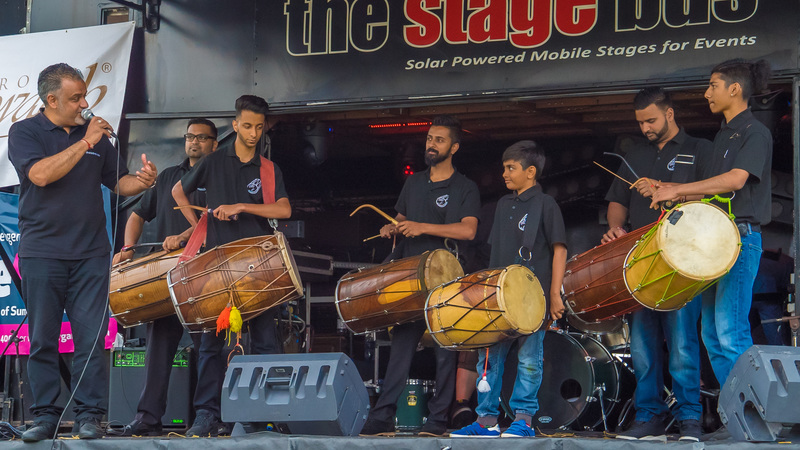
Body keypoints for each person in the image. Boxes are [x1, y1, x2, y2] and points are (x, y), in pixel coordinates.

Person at [7, 63, 157, 442]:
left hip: (91, 253)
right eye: (76, 98)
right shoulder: (25, 132)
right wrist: (86, 142)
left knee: (91, 339)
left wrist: (140, 182)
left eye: (85, 96)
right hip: (43, 251)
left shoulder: (96, 137)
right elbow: (40, 175)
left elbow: (117, 182)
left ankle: (90, 415)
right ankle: (44, 416)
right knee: (43, 338)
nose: (85, 104)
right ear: (51, 100)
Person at [172, 95, 291, 437]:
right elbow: (178, 192)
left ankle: (267, 413)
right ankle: (207, 414)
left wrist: (242, 206)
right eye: (247, 126)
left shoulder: (268, 169)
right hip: (219, 266)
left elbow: (284, 210)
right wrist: (198, 224)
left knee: (265, 341)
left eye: (259, 127)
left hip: (259, 267)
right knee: (211, 343)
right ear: (235, 124)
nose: (253, 133)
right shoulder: (213, 161)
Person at [651, 60, 773, 390]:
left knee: (731, 331)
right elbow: (711, 194)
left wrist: (677, 189)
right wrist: (667, 191)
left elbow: (735, 180)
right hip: (714, 242)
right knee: (712, 335)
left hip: (740, 240)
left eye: (713, 86)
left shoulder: (755, 132)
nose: (707, 93)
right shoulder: (723, 135)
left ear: (734, 89)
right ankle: (737, 409)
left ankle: (755, 410)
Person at [359, 115, 480, 437]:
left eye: (439, 140)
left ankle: (438, 421)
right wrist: (392, 227)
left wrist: (422, 227)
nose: (431, 145)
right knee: (400, 350)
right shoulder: (413, 183)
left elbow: (468, 230)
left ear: (454, 147)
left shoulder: (465, 187)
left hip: (446, 280)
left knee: (445, 353)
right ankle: (382, 417)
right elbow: (402, 217)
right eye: (429, 139)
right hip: (411, 278)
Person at [602, 87, 711, 442]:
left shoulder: (700, 149)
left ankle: (690, 417)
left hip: (684, 259)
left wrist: (665, 187)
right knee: (642, 345)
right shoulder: (634, 153)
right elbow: (617, 200)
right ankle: (648, 415)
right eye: (640, 122)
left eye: (651, 120)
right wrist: (615, 228)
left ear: (669, 113)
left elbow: (714, 195)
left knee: (681, 343)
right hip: (641, 260)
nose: (645, 128)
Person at [449, 140, 567, 438]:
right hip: (499, 297)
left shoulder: (546, 204)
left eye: (511, 168)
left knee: (529, 360)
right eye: (504, 168)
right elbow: (497, 254)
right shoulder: (502, 205)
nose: (504, 174)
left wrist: (555, 294)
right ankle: (486, 421)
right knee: (489, 359)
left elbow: (560, 249)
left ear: (531, 172)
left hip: (533, 298)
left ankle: (523, 421)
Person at [112, 118, 218, 436]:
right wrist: (128, 248)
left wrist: (185, 236)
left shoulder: (220, 176)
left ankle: (208, 415)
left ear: (215, 144)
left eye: (202, 137)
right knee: (158, 348)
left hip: (204, 276)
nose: (194, 142)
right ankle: (148, 417)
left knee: (208, 348)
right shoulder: (170, 176)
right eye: (190, 136)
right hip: (166, 277)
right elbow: (137, 215)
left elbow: (217, 219)